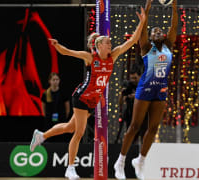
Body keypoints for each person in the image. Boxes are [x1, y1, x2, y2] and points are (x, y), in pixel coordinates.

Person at [30, 7, 146, 180]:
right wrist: (57, 45)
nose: (110, 43)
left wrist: (142, 22)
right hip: (81, 97)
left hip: (92, 101)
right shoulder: (90, 57)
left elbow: (132, 41)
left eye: (109, 42)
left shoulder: (112, 56)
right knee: (79, 132)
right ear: (99, 45)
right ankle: (70, 168)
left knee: (69, 127)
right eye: (107, 42)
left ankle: (42, 135)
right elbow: (67, 52)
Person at [114, 0, 178, 179]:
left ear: (163, 35)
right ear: (150, 36)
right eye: (153, 31)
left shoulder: (169, 46)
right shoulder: (146, 47)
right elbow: (142, 30)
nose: (157, 31)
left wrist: (174, 5)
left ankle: (140, 161)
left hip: (161, 90)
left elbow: (174, 25)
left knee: (154, 127)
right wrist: (147, 11)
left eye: (159, 30)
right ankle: (120, 161)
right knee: (134, 126)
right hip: (145, 89)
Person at [114, 66, 147, 145]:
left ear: (140, 76)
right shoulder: (129, 86)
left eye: (135, 78)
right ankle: (131, 154)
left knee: (144, 137)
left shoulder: (144, 85)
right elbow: (120, 103)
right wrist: (122, 94)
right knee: (132, 138)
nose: (133, 80)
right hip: (130, 115)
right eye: (131, 78)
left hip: (143, 115)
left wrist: (136, 96)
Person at [41, 72, 70, 142]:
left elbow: (67, 107)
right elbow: (43, 107)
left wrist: (64, 116)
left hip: (61, 119)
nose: (55, 81)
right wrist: (46, 116)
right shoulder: (46, 93)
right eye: (53, 80)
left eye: (57, 79)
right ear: (49, 81)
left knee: (61, 136)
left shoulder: (63, 92)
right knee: (49, 136)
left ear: (59, 81)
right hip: (49, 120)